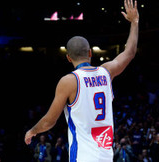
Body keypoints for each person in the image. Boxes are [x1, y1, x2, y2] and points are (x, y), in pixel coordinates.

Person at [24, 0, 139, 161]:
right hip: (106, 155)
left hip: (83, 156)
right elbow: (130, 52)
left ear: (68, 58)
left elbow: (50, 121)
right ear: (90, 53)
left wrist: (33, 131)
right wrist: (134, 22)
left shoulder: (69, 81)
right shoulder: (106, 72)